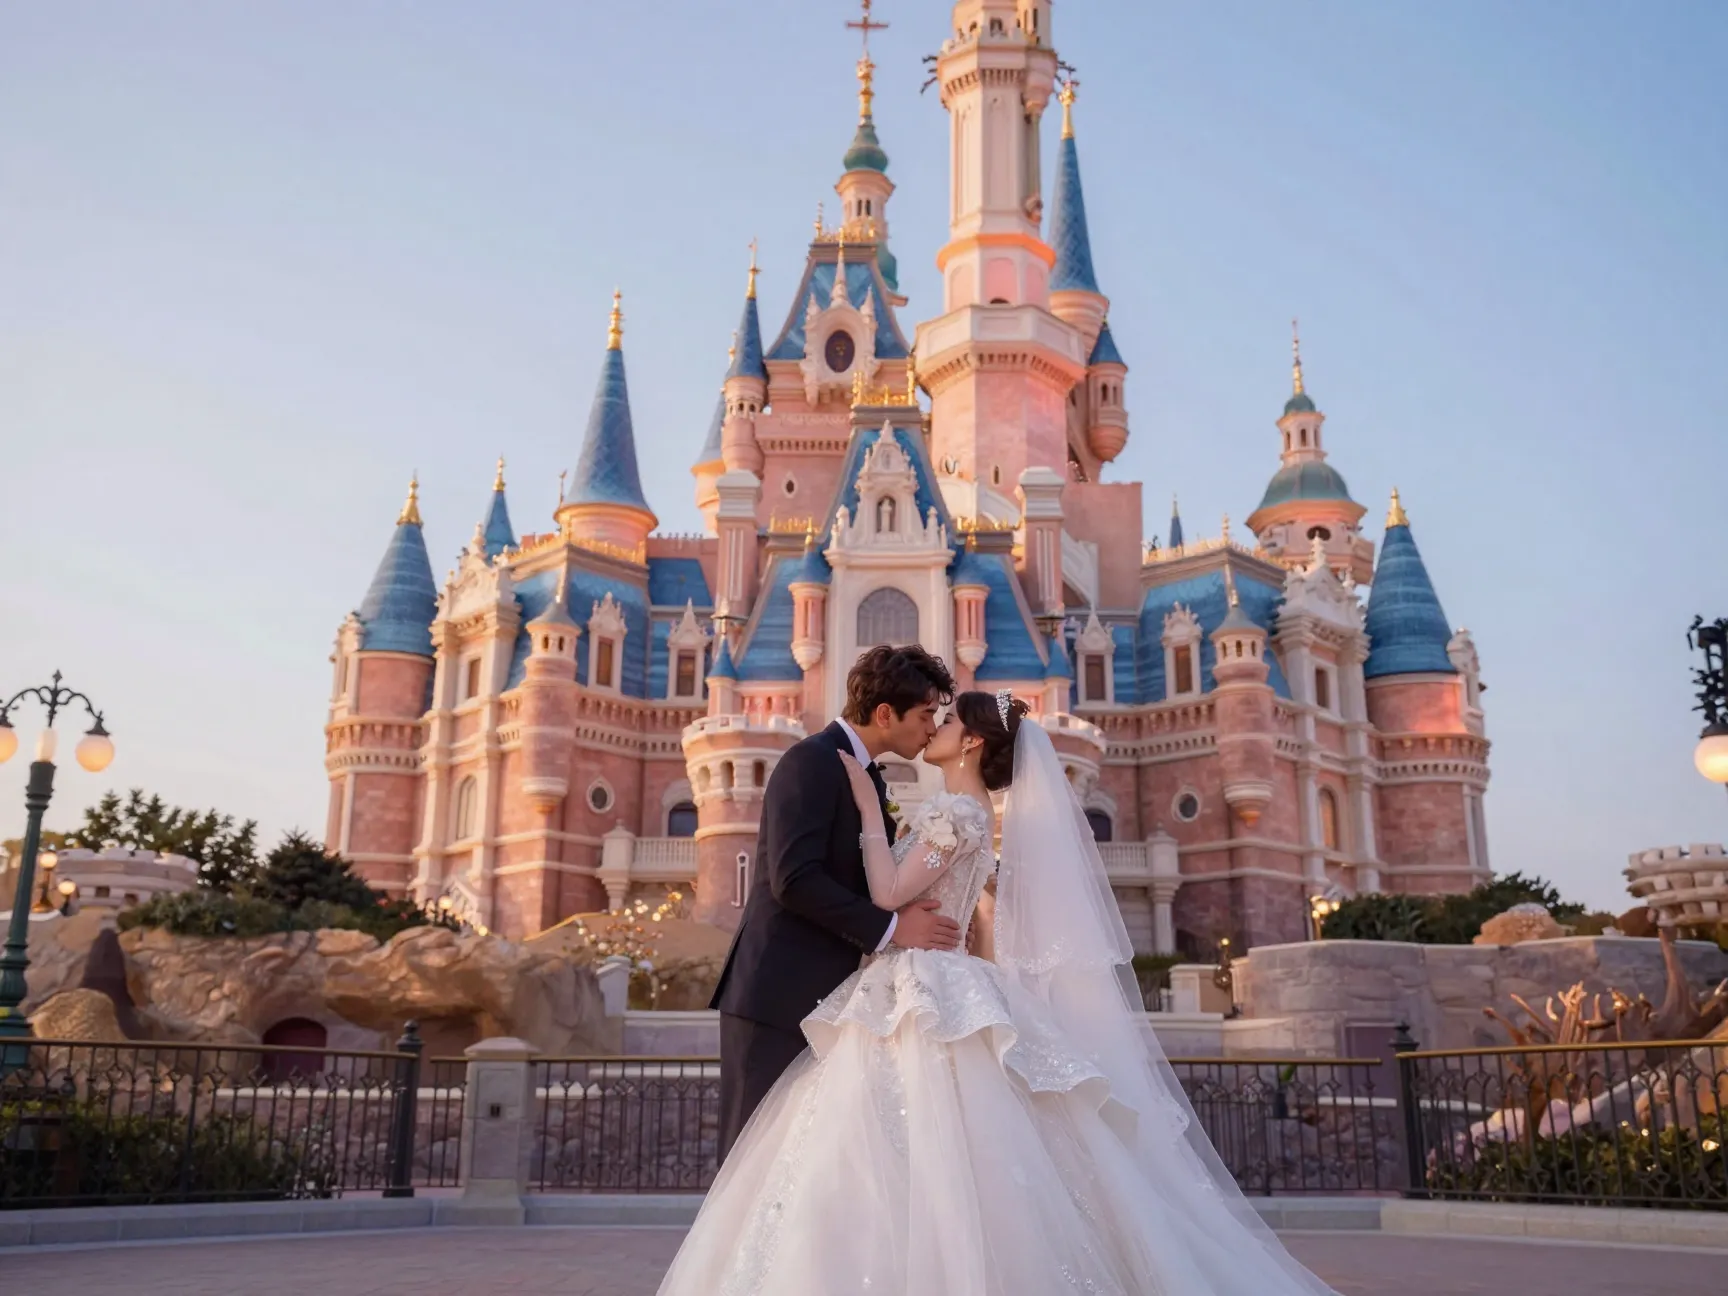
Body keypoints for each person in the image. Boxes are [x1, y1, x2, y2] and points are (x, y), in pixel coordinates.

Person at [661, 688, 1342, 1296]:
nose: (936, 727)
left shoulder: (956, 811)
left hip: (924, 981)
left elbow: (889, 893)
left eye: (948, 718)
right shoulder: (971, 811)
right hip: (937, 974)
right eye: (932, 713)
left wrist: (871, 813)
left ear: (976, 740)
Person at [709, 644, 962, 1163]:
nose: (931, 728)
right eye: (925, 715)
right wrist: (893, 930)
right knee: (750, 1163)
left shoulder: (864, 775)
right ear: (885, 714)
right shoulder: (811, 762)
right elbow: (793, 879)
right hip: (777, 997)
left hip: (828, 1000)